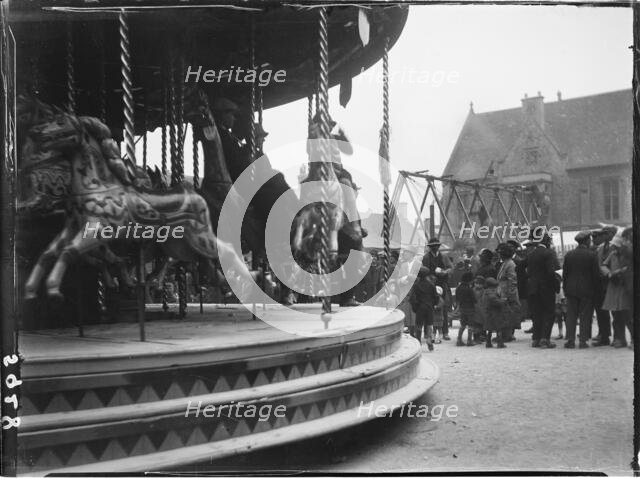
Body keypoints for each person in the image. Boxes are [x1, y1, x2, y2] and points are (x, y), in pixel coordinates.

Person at [562, 230, 600, 348]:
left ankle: (570, 340)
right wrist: (596, 290)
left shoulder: (569, 254)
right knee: (585, 315)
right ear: (587, 241)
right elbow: (595, 275)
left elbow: (565, 274)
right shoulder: (592, 255)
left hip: (571, 289)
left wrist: (565, 288)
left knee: (571, 315)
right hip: (587, 289)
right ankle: (583, 341)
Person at [524, 228, 560, 348]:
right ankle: (545, 339)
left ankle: (536, 339)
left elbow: (520, 268)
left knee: (537, 313)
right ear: (547, 241)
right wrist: (556, 285)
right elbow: (551, 272)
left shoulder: (531, 254)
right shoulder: (549, 253)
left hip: (533, 288)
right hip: (546, 288)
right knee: (549, 313)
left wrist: (529, 280)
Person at [601, 230, 633, 348]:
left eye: (616, 245)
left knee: (627, 316)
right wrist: (609, 273)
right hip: (614, 287)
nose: (614, 247)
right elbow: (603, 265)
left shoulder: (628, 255)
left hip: (624, 287)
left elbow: (628, 269)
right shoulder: (613, 254)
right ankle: (619, 339)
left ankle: (633, 340)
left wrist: (620, 272)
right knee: (616, 316)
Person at [422, 238, 453, 340]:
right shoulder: (426, 257)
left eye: (436, 246)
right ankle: (429, 333)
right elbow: (423, 271)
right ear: (430, 247)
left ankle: (445, 332)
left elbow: (451, 268)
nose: (435, 247)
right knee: (429, 308)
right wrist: (429, 277)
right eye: (432, 246)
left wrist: (445, 272)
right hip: (430, 285)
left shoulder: (444, 256)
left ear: (439, 246)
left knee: (442, 307)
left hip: (442, 284)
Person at [592, 226, 617, 346]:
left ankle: (618, 337)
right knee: (602, 312)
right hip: (601, 285)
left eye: (606, 233)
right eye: (603, 234)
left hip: (613, 283)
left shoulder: (616, 247)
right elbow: (598, 265)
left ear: (612, 234)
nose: (604, 236)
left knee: (617, 313)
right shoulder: (601, 248)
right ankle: (605, 336)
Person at [496, 242, 521, 342]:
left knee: (509, 314)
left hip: (508, 293)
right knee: (504, 314)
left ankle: (508, 335)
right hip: (503, 292)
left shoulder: (510, 264)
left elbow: (512, 281)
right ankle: (505, 334)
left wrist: (510, 295)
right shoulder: (505, 263)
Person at [409, 267, 437, 351]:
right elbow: (435, 297)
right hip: (429, 307)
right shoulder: (431, 285)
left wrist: (415, 307)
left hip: (420, 307)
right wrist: (433, 304)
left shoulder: (416, 286)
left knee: (419, 325)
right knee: (429, 324)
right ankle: (429, 339)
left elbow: (412, 298)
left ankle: (418, 340)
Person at [397, 246, 422, 335]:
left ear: (412, 254)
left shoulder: (418, 264)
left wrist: (412, 277)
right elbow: (398, 279)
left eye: (406, 252)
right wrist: (402, 280)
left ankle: (416, 332)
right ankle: (410, 330)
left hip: (415, 291)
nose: (404, 254)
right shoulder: (403, 265)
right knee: (407, 312)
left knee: (415, 312)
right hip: (405, 292)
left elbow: (421, 276)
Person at [483, 277, 508, 348]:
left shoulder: (486, 291)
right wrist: (503, 301)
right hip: (494, 313)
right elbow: (494, 300)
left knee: (490, 329)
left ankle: (488, 342)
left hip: (489, 313)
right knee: (498, 328)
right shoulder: (490, 292)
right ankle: (500, 343)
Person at [456, 271, 477, 346]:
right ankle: (469, 340)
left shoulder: (459, 288)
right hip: (470, 308)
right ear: (469, 280)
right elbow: (474, 299)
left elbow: (457, 298)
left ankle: (459, 339)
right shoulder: (469, 289)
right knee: (471, 325)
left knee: (463, 324)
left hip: (462, 308)